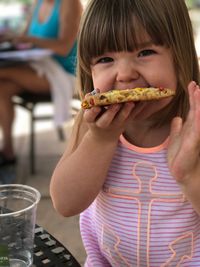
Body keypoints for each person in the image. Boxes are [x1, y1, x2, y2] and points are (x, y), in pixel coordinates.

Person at [50, 0, 200, 265]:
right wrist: (100, 140)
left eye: (145, 52)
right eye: (105, 59)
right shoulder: (93, 126)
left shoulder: (195, 125)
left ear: (181, 53)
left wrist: (189, 175)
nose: (125, 74)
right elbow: (65, 203)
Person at [0, 0, 83, 165]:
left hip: (64, 73)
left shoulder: (70, 4)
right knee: (2, 88)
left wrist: (25, 38)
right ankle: (8, 150)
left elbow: (64, 48)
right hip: (39, 66)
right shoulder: (38, 3)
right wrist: (10, 39)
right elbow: (24, 40)